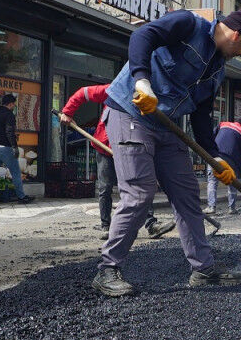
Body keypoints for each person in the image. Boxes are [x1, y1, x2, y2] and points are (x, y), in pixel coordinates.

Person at [92, 8, 241, 297]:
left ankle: (203, 270)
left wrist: (215, 156)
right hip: (130, 111)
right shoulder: (188, 25)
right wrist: (142, 81)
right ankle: (107, 269)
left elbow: (201, 114)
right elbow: (142, 36)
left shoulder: (218, 68)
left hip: (166, 125)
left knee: (186, 194)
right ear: (236, 34)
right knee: (139, 193)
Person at [59, 83, 173, 239]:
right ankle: (106, 227)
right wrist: (67, 112)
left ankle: (151, 225)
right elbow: (83, 92)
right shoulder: (115, 90)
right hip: (104, 147)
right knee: (105, 188)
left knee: (140, 185)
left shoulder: (147, 101)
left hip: (129, 148)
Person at [0, 93, 35, 207]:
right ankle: (21, 197)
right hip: (5, 147)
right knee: (16, 172)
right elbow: (9, 132)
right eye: (13, 104)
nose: (14, 106)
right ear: (10, 104)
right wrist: (14, 147)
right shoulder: (9, 115)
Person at [206, 120, 241, 214]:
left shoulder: (223, 124)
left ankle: (211, 207)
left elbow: (211, 135)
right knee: (232, 183)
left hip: (215, 155)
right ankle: (232, 208)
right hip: (232, 159)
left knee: (212, 181)